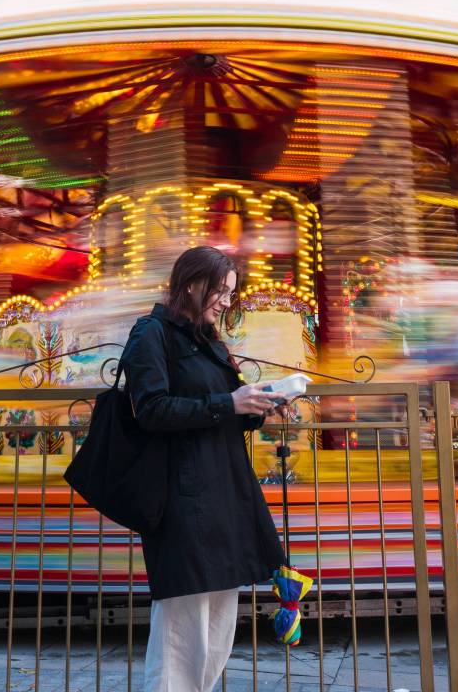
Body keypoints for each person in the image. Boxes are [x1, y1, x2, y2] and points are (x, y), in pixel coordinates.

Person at [120, 245, 287, 692]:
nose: (226, 302)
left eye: (231, 294)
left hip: (225, 494)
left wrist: (256, 405)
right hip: (183, 497)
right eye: (221, 291)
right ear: (192, 283)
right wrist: (227, 403)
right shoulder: (150, 333)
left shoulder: (209, 341)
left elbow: (220, 408)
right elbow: (151, 409)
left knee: (216, 631)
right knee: (182, 632)